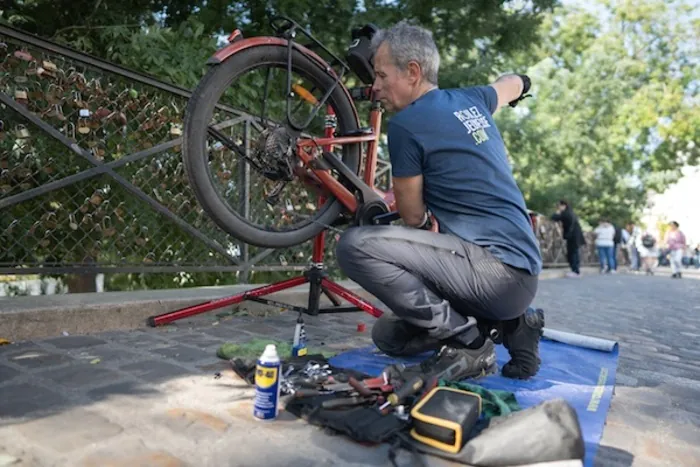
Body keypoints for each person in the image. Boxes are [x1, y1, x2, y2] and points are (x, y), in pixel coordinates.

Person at [335, 21, 544, 381]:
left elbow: (414, 217)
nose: (376, 86)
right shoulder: (474, 99)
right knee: (389, 337)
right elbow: (510, 84)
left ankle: (470, 342)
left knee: (354, 246)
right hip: (524, 276)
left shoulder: (406, 125)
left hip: (491, 274)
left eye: (382, 75)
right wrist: (525, 82)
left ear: (413, 71)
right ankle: (514, 324)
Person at [551, 201, 586, 278]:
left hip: (572, 236)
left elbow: (554, 217)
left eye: (559, 206)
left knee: (572, 253)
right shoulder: (571, 213)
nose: (559, 207)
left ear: (564, 206)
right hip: (575, 236)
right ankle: (576, 270)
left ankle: (575, 270)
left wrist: (557, 212)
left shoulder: (566, 213)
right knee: (575, 252)